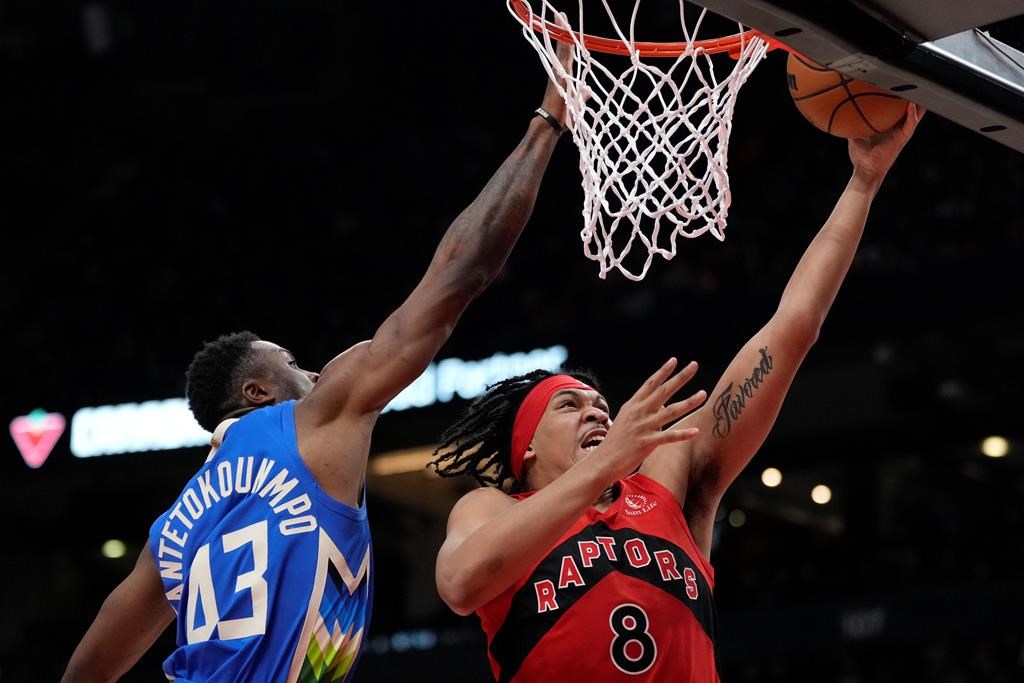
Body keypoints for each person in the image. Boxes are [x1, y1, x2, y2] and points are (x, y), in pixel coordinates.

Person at [62, 42, 575, 683]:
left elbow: (86, 671)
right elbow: (458, 276)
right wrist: (546, 125)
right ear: (256, 390)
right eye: (294, 363)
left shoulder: (171, 531)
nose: (312, 373)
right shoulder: (314, 422)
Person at [430, 104, 923, 682]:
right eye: (570, 405)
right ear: (527, 449)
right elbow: (461, 585)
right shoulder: (489, 509)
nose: (596, 412)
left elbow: (793, 329)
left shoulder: (667, 482)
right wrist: (603, 467)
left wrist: (864, 182)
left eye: (602, 408)